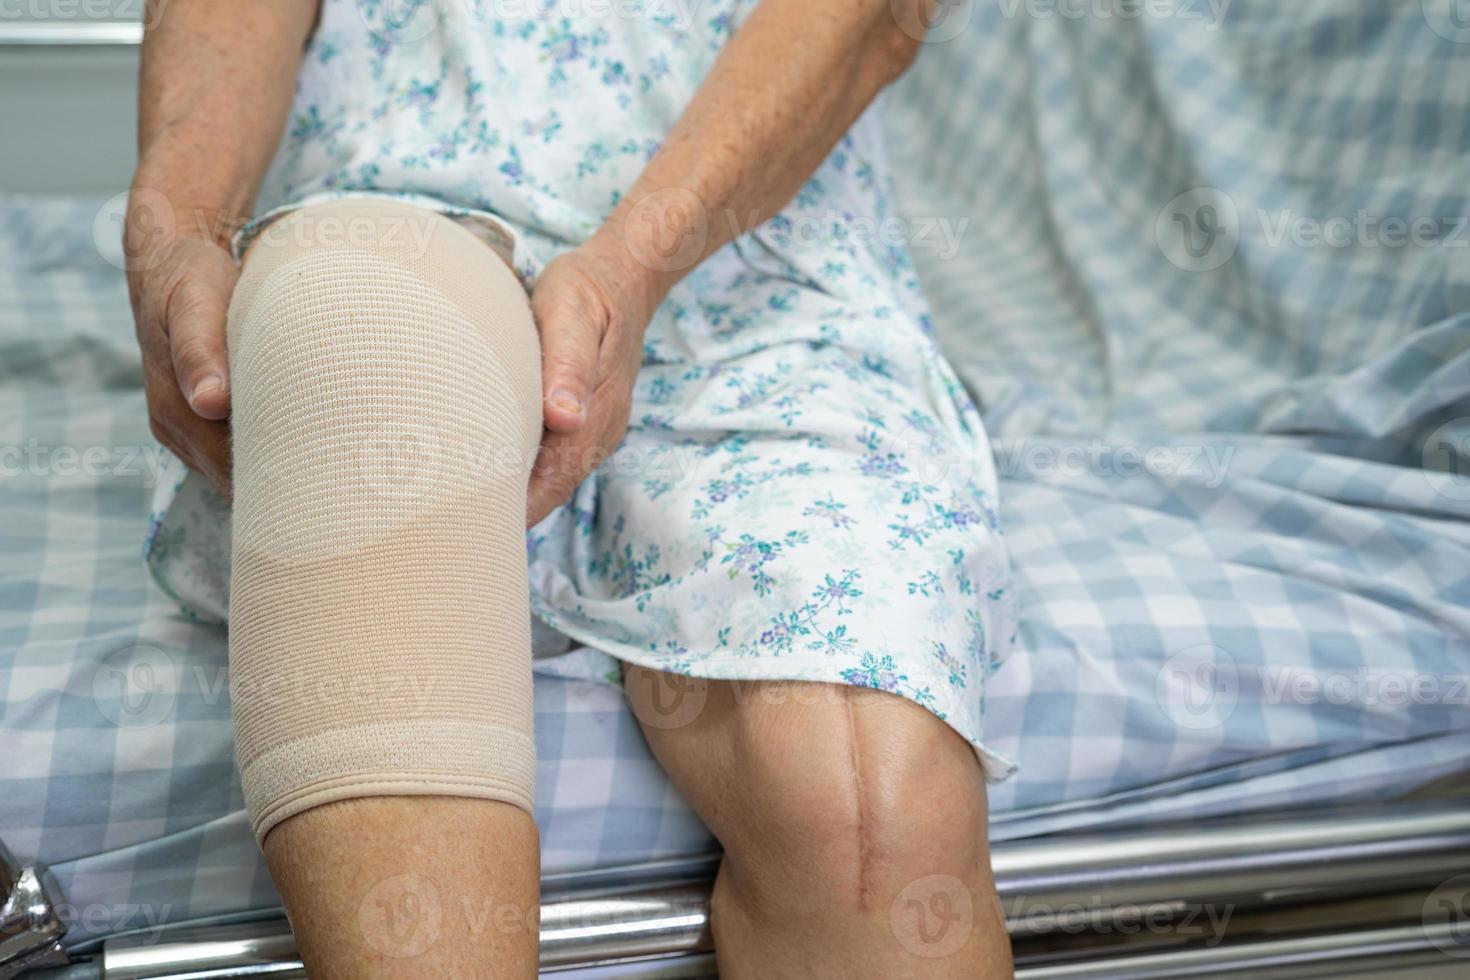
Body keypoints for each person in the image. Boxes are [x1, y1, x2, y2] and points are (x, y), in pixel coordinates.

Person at [125, 0, 1016, 976]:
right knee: (363, 350)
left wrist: (634, 266)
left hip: (759, 266)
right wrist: (174, 226)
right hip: (408, 201)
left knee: (864, 813)